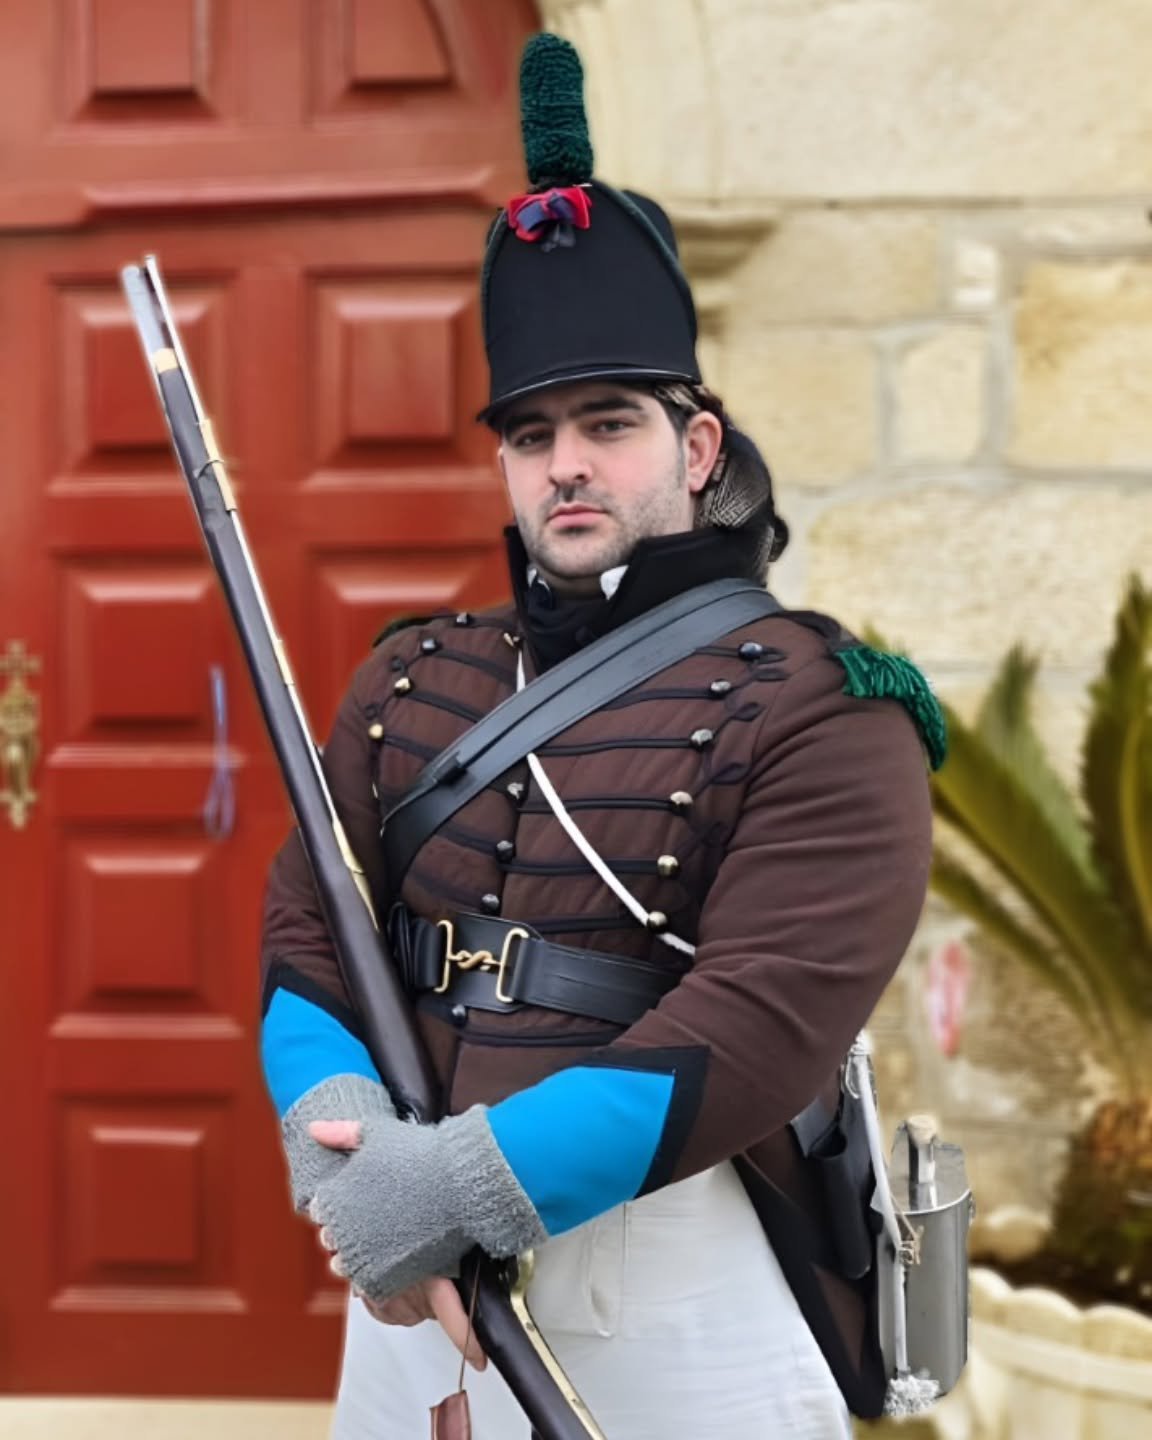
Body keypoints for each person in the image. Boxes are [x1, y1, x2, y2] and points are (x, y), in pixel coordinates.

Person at [259, 33, 941, 1440]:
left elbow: (761, 1021)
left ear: (695, 447)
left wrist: (458, 1188)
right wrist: (338, 1139)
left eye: (610, 422)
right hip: (407, 1277)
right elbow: (309, 926)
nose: (566, 461)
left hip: (675, 1269)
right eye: (531, 433)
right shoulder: (411, 679)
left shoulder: (831, 701)